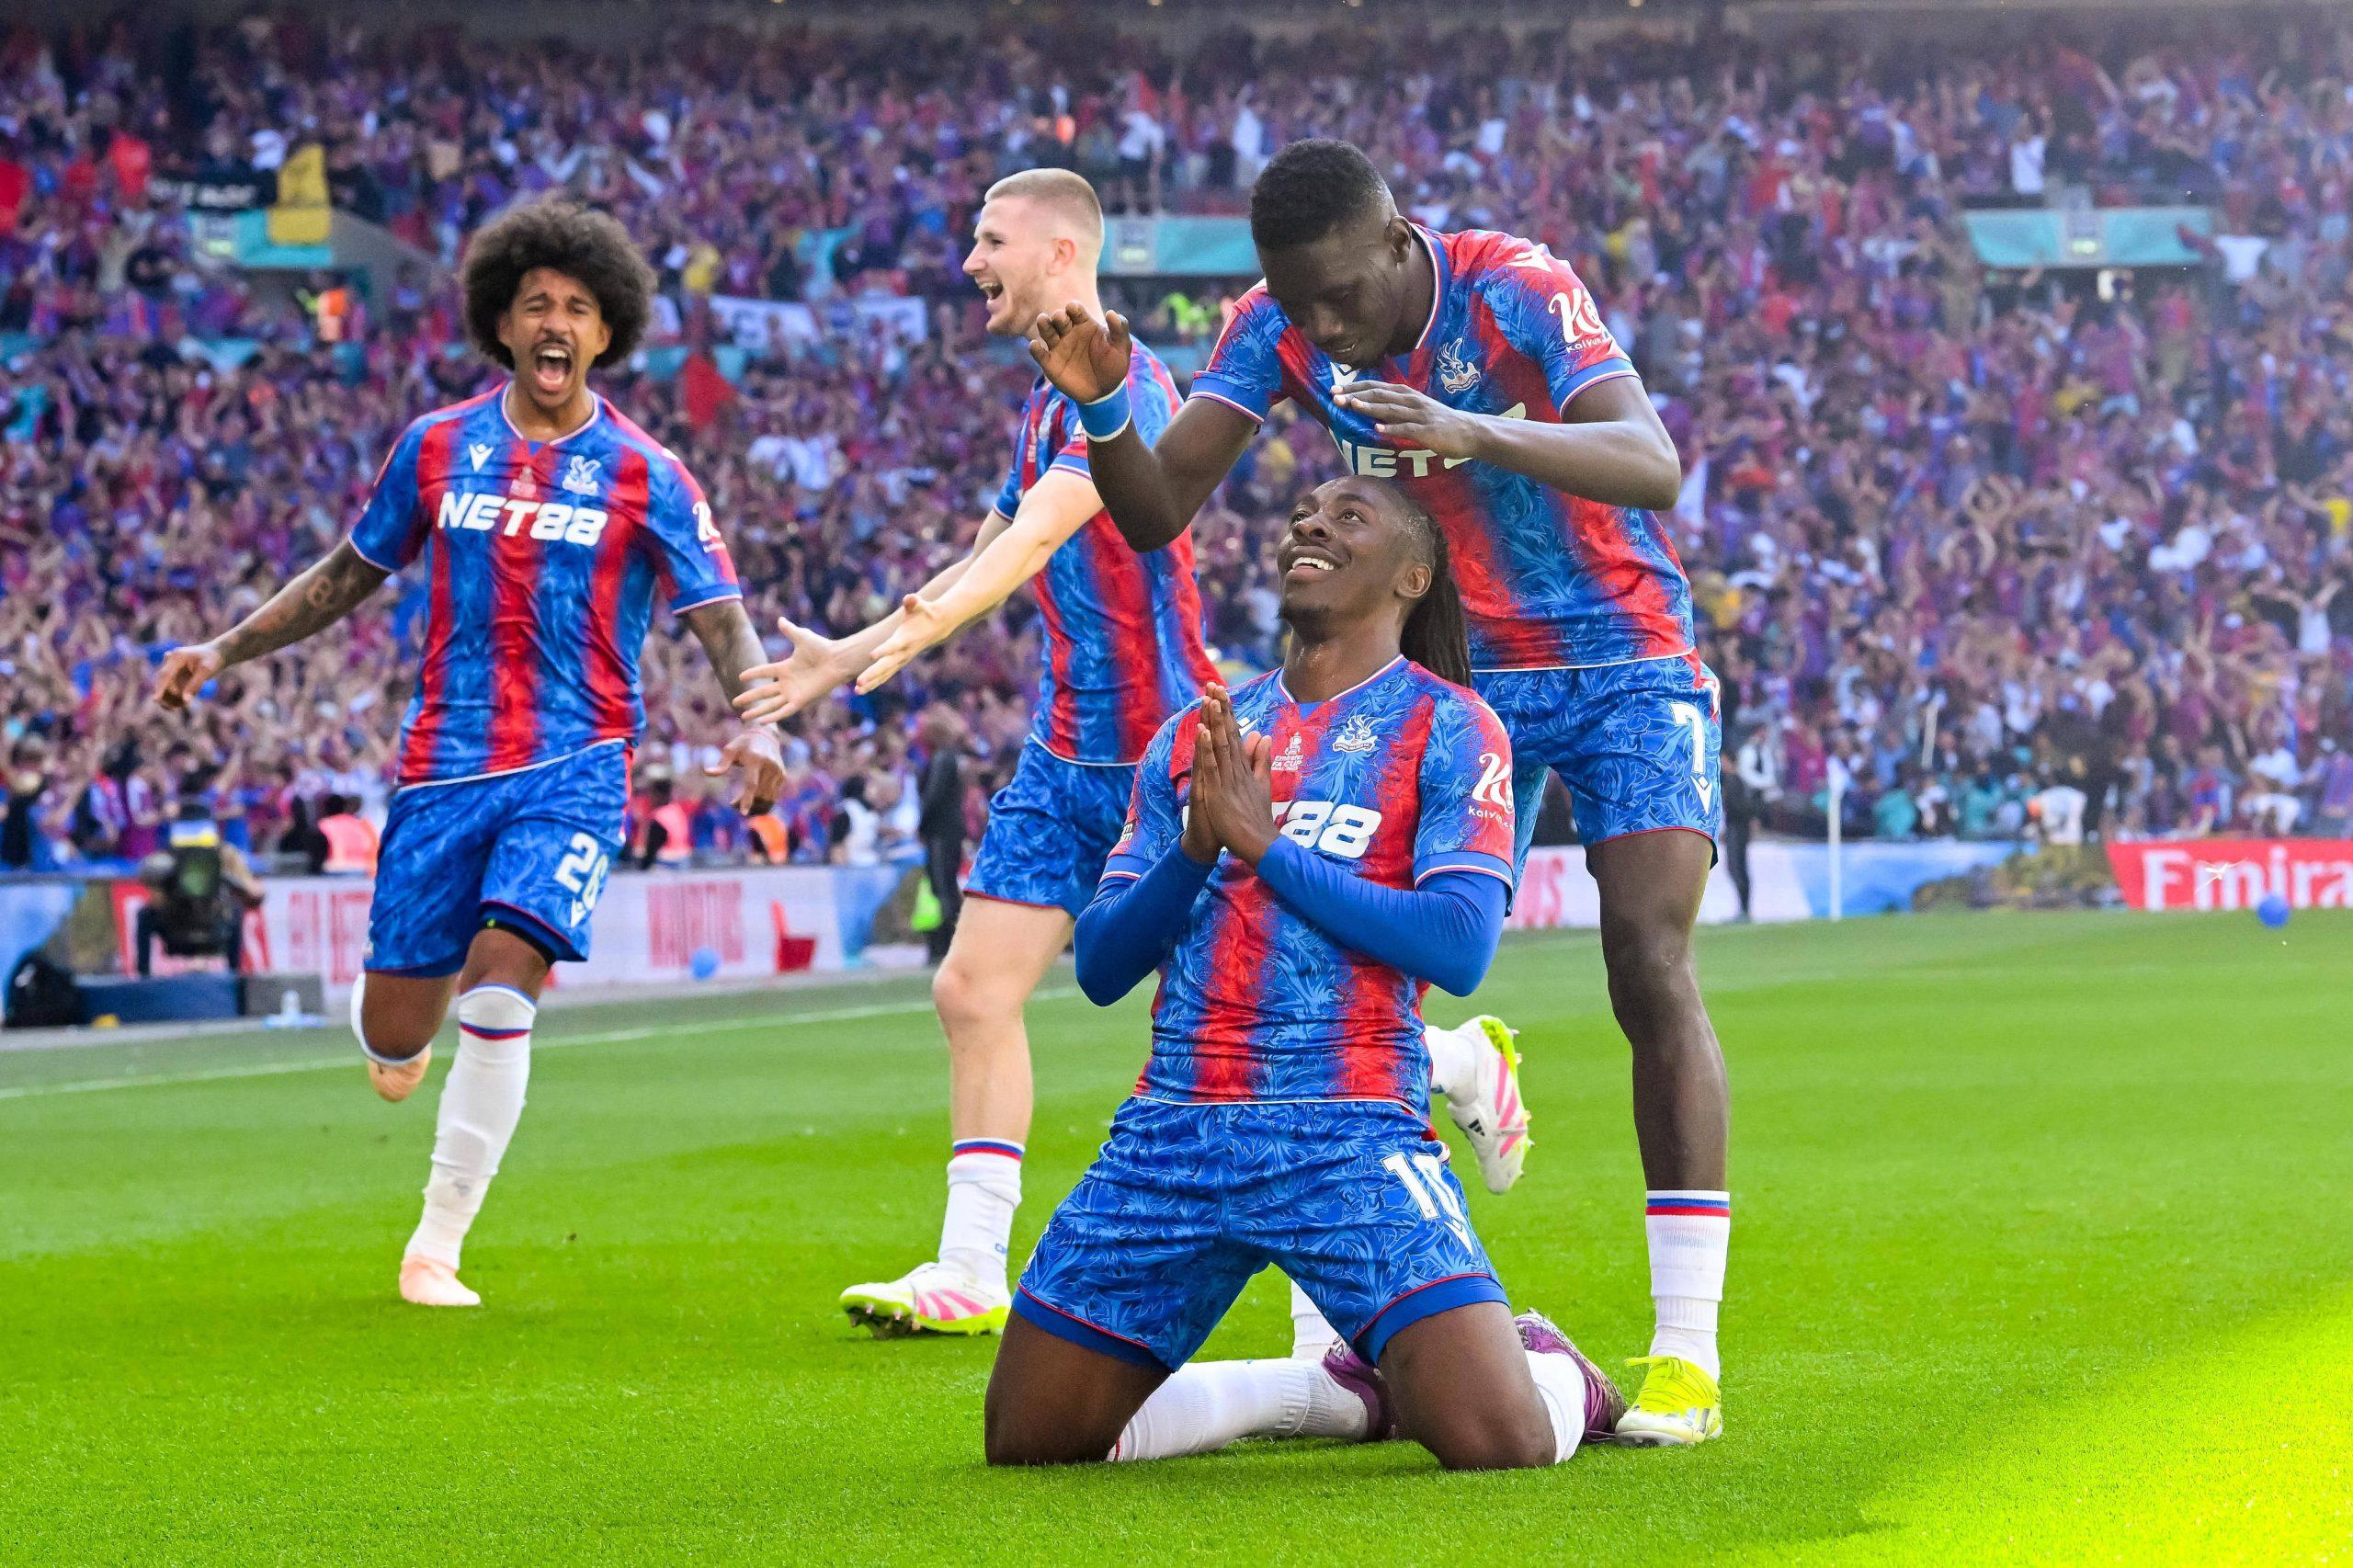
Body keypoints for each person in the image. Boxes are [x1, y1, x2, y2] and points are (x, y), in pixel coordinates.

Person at [734, 168, 1534, 1342]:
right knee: (970, 988)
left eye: (988, 238)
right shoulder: (1040, 403)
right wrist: (841, 653)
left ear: (1062, 252)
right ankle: (968, 1265)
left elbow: (1030, 544)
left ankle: (1444, 1067)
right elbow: (981, 548)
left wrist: (912, 641)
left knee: (1252, 1015)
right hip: (1069, 756)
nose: (971, 260)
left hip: (1177, 746)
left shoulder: (1136, 390)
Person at [1029, 137, 1729, 1442]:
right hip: (1461, 668)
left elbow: (1651, 461)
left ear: (1401, 240)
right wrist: (1107, 406)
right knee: (1345, 951)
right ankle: (1373, 1295)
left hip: (1623, 646)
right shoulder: (1280, 328)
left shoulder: (1513, 284)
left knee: (1645, 951)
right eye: (1300, 304)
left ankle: (1685, 1348)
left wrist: (1473, 431)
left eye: (1343, 295)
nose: (1325, 327)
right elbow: (1155, 508)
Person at [153, 198, 785, 1309]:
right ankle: (397, 1026)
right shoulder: (436, 446)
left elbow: (721, 616)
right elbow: (345, 575)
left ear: (605, 333)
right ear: (500, 322)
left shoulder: (649, 472)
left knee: (507, 981)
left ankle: (434, 1244)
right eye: (535, 302)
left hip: (578, 763)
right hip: (444, 767)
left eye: (578, 308)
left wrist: (762, 718)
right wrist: (226, 644)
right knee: (400, 1030)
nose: (555, 322)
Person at [986, 475, 1621, 1471]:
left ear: (1413, 576)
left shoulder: (1450, 727)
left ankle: (1561, 1373)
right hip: (1173, 1134)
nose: (1311, 523)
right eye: (1303, 516)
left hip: (1346, 1130)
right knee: (1032, 1439)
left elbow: (1457, 945)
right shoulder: (1195, 735)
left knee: (1497, 1440)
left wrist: (1265, 848)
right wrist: (1196, 849)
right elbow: (1102, 965)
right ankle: (1326, 1393)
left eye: (1348, 515)